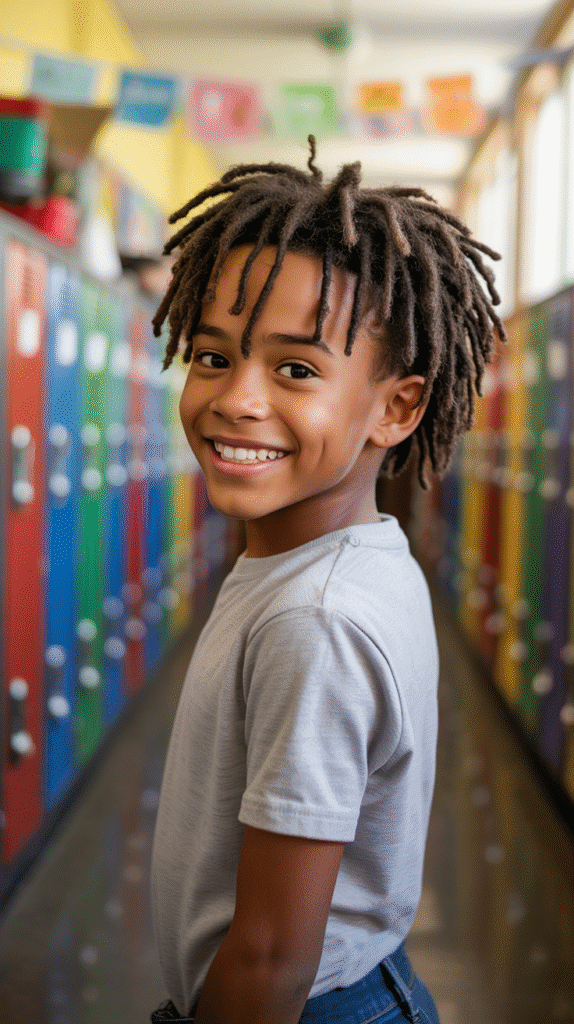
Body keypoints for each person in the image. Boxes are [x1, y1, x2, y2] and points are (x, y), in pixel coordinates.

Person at [149, 137, 505, 1024]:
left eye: (297, 369)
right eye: (213, 354)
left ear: (398, 407)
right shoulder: (344, 558)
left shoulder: (315, 619)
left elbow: (271, 956)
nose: (238, 397)